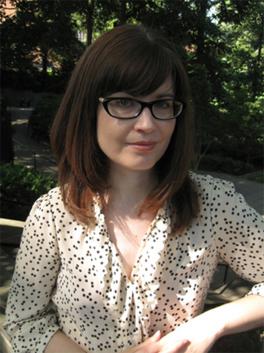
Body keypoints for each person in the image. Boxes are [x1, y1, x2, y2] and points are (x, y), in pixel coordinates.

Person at [4, 24, 264, 353]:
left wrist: (213, 322)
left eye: (163, 104)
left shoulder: (212, 203)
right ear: (88, 109)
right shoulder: (53, 214)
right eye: (125, 102)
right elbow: (25, 321)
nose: (147, 124)